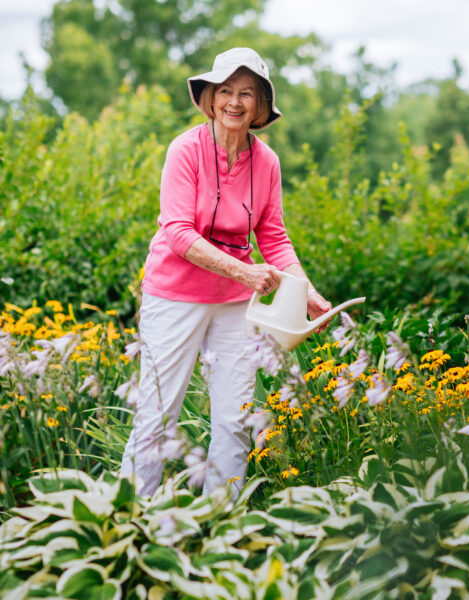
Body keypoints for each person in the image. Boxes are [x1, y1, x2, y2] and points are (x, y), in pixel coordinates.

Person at [120, 47, 331, 499]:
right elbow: (177, 232)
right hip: (174, 296)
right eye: (226, 91)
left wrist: (306, 290)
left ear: (260, 107)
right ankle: (129, 522)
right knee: (157, 414)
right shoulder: (185, 150)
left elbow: (273, 236)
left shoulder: (267, 162)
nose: (235, 102)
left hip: (235, 304)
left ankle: (221, 523)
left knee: (235, 418)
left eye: (247, 94)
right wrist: (246, 271)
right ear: (211, 98)